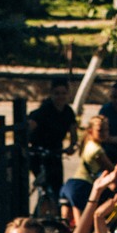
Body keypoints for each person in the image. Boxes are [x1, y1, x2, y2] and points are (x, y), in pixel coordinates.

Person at [26, 77, 78, 217]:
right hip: (39, 153)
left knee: (56, 189)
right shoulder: (44, 110)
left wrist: (72, 146)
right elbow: (30, 126)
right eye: (57, 93)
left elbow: (74, 132)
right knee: (45, 186)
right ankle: (39, 216)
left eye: (63, 93)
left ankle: (47, 218)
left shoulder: (68, 112)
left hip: (55, 152)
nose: (60, 97)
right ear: (51, 94)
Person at [60, 113, 112, 223]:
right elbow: (110, 168)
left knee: (67, 226)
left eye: (106, 130)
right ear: (90, 131)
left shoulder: (88, 144)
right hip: (81, 188)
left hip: (70, 185)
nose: (104, 133)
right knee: (83, 229)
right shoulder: (97, 150)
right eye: (100, 130)